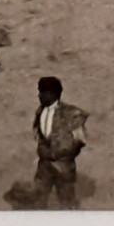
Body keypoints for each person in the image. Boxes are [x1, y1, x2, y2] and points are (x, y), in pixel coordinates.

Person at [25, 76, 88, 209]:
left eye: (42, 92)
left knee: (66, 200)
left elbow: (80, 139)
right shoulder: (40, 111)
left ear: (53, 94)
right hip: (44, 164)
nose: (39, 95)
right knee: (40, 197)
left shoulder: (71, 114)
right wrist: (42, 148)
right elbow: (38, 132)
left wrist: (64, 153)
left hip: (63, 165)